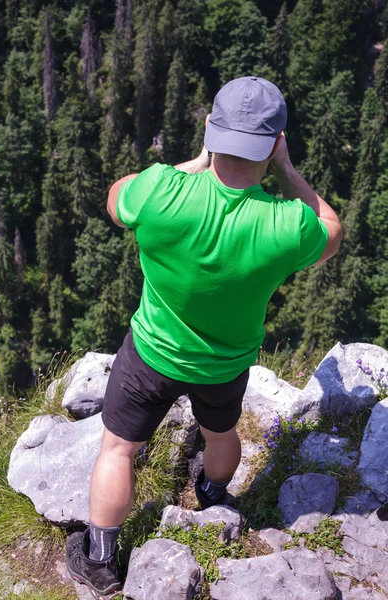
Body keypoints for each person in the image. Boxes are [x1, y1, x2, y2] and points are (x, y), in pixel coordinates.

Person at [66, 76, 342, 597]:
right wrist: (286, 170)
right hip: (225, 365)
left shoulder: (160, 193)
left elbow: (116, 197)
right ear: (274, 141)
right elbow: (332, 228)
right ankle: (213, 492)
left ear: (212, 130)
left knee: (119, 447)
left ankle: (100, 561)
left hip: (150, 355)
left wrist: (193, 162)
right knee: (220, 434)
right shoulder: (286, 225)